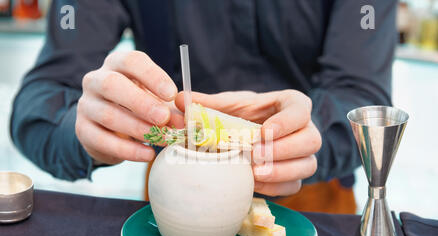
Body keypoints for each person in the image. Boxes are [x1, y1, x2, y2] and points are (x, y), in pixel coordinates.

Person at [10, 0, 397, 214]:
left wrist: (306, 135)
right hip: (174, 198)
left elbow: (364, 100)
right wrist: (84, 128)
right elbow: (38, 102)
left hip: (311, 202)